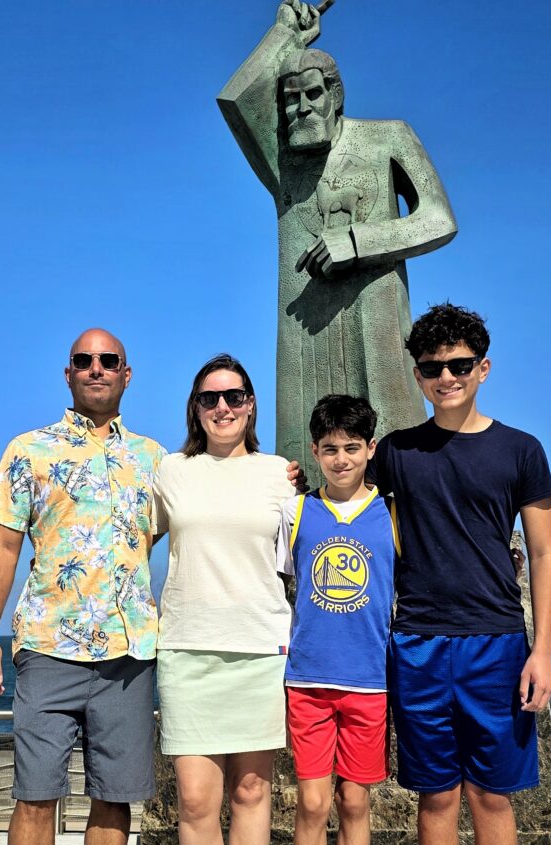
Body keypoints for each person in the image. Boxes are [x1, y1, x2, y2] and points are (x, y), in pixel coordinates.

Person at [374, 303, 551, 845]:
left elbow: (544, 553)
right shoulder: (395, 450)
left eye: (460, 365)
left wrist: (540, 650)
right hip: (417, 644)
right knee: (435, 799)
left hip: (496, 643)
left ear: (482, 369)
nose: (447, 377)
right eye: (432, 368)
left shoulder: (520, 449)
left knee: (492, 799)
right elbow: (344, 503)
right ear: (418, 375)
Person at [0, 328, 165, 845]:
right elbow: (2, 543)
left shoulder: (154, 460)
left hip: (129, 650)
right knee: (35, 795)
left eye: (107, 360)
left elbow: (198, 516)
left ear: (127, 374)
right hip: (49, 644)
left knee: (114, 794)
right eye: (83, 360)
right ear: (67, 374)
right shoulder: (30, 451)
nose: (95, 369)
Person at [218, 0, 457, 484]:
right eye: (289, 100)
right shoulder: (285, 162)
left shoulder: (388, 138)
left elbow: (438, 218)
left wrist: (357, 240)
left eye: (312, 96)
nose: (300, 109)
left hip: (376, 323)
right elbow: (237, 100)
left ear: (336, 96)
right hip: (305, 335)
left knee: (395, 458)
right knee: (303, 470)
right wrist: (287, 31)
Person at [154, 354, 295, 845]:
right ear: (195, 407)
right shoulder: (170, 472)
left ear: (252, 405)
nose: (222, 408)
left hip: (261, 649)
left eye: (234, 397)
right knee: (194, 798)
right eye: (210, 399)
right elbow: (125, 539)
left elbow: (304, 563)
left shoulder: (279, 476)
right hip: (186, 648)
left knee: (251, 792)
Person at [272, 394, 397, 845]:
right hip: (309, 683)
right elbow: (278, 591)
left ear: (370, 450)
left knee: (354, 805)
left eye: (352, 448)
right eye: (330, 449)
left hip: (370, 684)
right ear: (315, 452)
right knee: (313, 805)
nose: (341, 458)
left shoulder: (392, 515)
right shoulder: (298, 512)